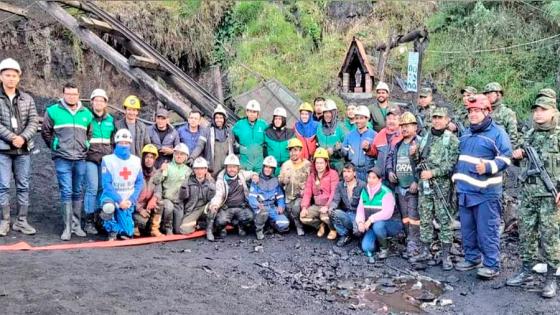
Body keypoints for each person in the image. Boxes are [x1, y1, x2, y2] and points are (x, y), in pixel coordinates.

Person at [452, 94, 512, 279]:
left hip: (486, 193)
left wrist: (487, 167)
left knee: (487, 230)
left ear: (487, 111)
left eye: (476, 111)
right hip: (465, 191)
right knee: (467, 230)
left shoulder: (497, 133)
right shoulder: (467, 133)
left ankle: (492, 264)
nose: (472, 114)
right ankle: (472, 258)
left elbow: (506, 157)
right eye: (470, 111)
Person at [507, 96, 560, 298]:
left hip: (550, 196)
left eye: (543, 110)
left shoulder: (558, 135)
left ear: (553, 112)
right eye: (536, 110)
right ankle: (526, 270)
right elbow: (518, 162)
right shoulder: (529, 134)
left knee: (550, 238)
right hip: (528, 195)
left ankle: (550, 279)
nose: (538, 113)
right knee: (526, 234)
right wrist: (517, 155)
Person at [42, 82, 93, 240]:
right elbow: (46, 131)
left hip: (80, 158)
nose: (71, 96)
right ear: (63, 94)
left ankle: (76, 225)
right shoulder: (53, 111)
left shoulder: (86, 113)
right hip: (62, 158)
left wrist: (85, 145)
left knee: (78, 191)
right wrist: (55, 146)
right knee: (66, 191)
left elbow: (89, 133)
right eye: (68, 94)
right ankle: (67, 228)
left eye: (74, 94)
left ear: (79, 95)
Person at [412, 107, 459, 270]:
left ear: (447, 120)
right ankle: (425, 251)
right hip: (424, 185)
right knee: (425, 217)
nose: (437, 121)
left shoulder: (451, 139)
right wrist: (414, 154)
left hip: (442, 186)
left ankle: (445, 255)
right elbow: (420, 159)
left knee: (444, 219)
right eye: (435, 118)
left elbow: (452, 164)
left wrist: (433, 173)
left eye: (440, 117)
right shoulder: (425, 137)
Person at [0, 58, 39, 236]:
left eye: (14, 75)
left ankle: (21, 221)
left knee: (23, 185)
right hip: (3, 149)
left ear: (19, 78)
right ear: (1, 76)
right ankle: (5, 221)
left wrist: (22, 137)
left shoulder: (27, 99)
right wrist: (12, 137)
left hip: (23, 149)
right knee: (3, 186)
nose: (11, 78)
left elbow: (33, 121)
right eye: (7, 75)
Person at [99, 129, 143, 241]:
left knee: (127, 233)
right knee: (108, 207)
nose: (124, 145)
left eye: (126, 143)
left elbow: (139, 182)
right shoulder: (107, 160)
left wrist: (131, 200)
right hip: (111, 197)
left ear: (130, 144)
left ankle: (120, 227)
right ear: (116, 143)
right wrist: (119, 201)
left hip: (128, 199)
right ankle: (111, 228)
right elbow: (106, 184)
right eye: (121, 143)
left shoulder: (136, 161)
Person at [386, 111, 420, 258]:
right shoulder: (398, 144)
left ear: (415, 127)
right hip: (400, 187)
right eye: (403, 126)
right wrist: (389, 171)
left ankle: (414, 245)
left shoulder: (419, 143)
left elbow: (424, 164)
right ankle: (409, 240)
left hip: (413, 189)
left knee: (414, 218)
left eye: (408, 126)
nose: (405, 129)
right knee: (405, 217)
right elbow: (389, 159)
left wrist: (417, 181)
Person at [83, 88, 115, 235]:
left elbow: (113, 141)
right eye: (96, 100)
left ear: (105, 103)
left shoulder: (110, 120)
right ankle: (88, 220)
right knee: (92, 188)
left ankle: (98, 218)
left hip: (105, 161)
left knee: (102, 189)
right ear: (92, 102)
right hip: (90, 158)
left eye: (102, 100)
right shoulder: (87, 117)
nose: (99, 103)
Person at [356, 167, 402, 264]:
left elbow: (387, 213)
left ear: (379, 180)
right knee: (366, 247)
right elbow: (360, 209)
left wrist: (370, 220)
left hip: (392, 224)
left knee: (378, 225)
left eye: (374, 178)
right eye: (369, 177)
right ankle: (381, 240)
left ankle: (384, 249)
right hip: (374, 225)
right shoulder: (364, 191)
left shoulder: (386, 192)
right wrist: (360, 222)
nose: (371, 180)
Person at [208, 154, 256, 241]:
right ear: (226, 168)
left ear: (238, 168)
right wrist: (214, 204)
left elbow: (252, 173)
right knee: (220, 221)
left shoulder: (241, 175)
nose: (232, 169)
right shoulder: (221, 180)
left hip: (241, 207)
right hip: (227, 208)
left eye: (234, 167)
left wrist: (254, 175)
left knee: (251, 217)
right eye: (229, 167)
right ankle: (222, 228)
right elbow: (218, 195)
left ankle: (240, 226)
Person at [300, 148, 340, 239]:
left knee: (325, 217)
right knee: (303, 218)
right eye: (317, 163)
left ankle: (333, 229)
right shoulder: (312, 176)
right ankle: (320, 226)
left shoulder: (333, 174)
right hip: (317, 205)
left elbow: (334, 192)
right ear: (314, 164)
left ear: (326, 163)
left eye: (321, 163)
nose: (319, 165)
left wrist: (327, 206)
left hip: (328, 205)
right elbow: (307, 193)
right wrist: (304, 207)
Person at [154, 143, 192, 235]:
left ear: (186, 156)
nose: (178, 156)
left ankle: (173, 227)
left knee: (179, 230)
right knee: (169, 208)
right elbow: (156, 181)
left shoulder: (188, 171)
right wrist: (161, 170)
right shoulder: (167, 166)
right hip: (167, 199)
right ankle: (167, 227)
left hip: (179, 202)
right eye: (176, 153)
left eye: (182, 154)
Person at [248, 156, 288, 239]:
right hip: (260, 207)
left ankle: (269, 225)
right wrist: (257, 204)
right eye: (266, 167)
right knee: (263, 213)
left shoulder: (275, 180)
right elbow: (251, 197)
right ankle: (259, 230)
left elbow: (280, 196)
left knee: (284, 223)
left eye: (270, 168)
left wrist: (281, 206)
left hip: (272, 207)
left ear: (273, 169)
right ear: (263, 167)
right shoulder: (256, 179)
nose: (268, 169)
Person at [278, 138, 311, 236]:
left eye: (296, 150)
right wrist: (283, 181)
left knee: (296, 208)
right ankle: (294, 222)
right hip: (288, 197)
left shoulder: (307, 165)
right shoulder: (286, 165)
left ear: (301, 151)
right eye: (291, 150)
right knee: (285, 216)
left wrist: (304, 190)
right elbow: (280, 181)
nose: (293, 153)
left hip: (301, 196)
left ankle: (299, 227)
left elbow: (311, 182)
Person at [330, 162, 366, 247]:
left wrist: (360, 221)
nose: (346, 174)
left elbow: (365, 205)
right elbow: (335, 200)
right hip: (347, 213)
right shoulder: (340, 185)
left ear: (354, 173)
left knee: (358, 233)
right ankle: (345, 235)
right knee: (333, 212)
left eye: (349, 171)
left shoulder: (362, 185)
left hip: (359, 215)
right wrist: (331, 208)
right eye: (344, 171)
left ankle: (357, 233)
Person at [177, 157, 215, 235]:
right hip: (192, 210)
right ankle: (199, 225)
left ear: (206, 170)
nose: (199, 171)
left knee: (215, 215)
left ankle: (205, 225)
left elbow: (212, 198)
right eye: (197, 169)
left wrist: (211, 184)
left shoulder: (210, 181)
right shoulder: (188, 181)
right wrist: (184, 186)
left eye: (202, 169)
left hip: (205, 208)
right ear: (194, 170)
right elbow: (182, 197)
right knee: (184, 230)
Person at [133, 144, 162, 237]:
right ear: (143, 158)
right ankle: (135, 226)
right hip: (135, 207)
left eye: (152, 157)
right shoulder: (136, 172)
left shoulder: (156, 173)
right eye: (147, 157)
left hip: (148, 206)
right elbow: (129, 195)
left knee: (161, 204)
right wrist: (140, 209)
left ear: (155, 160)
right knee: (141, 222)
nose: (149, 160)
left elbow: (159, 190)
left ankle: (154, 229)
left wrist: (154, 199)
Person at [366, 106, 402, 181]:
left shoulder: (403, 134)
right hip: (381, 177)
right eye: (389, 118)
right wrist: (368, 148)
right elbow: (375, 152)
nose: (391, 121)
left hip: (397, 177)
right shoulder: (381, 133)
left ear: (399, 121)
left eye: (394, 119)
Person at [342, 105, 376, 182]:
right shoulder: (349, 135)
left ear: (367, 119)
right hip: (353, 171)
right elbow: (344, 152)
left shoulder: (374, 135)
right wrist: (342, 150)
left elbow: (377, 154)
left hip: (368, 171)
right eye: (356, 118)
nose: (358, 121)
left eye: (361, 118)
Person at [232, 100, 268, 172]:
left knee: (259, 180)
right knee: (244, 180)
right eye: (250, 111)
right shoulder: (239, 125)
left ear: (258, 114)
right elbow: (231, 136)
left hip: (259, 162)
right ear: (247, 112)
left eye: (254, 112)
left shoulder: (263, 124)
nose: (252, 114)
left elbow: (268, 139)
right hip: (245, 161)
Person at [316, 99, 345, 172]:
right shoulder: (319, 126)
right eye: (325, 112)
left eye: (330, 112)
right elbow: (316, 142)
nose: (327, 115)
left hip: (337, 164)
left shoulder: (341, 126)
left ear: (334, 113)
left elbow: (348, 144)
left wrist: (334, 149)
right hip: (322, 164)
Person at [264, 107, 294, 176]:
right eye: (276, 118)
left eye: (280, 119)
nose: (277, 121)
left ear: (284, 120)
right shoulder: (267, 132)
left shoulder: (291, 133)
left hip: (287, 168)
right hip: (272, 167)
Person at [207, 105, 234, 176]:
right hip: (213, 166)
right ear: (214, 119)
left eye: (221, 118)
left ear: (224, 119)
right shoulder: (208, 131)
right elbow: (201, 146)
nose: (219, 120)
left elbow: (233, 146)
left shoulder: (229, 131)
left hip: (226, 165)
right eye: (217, 118)